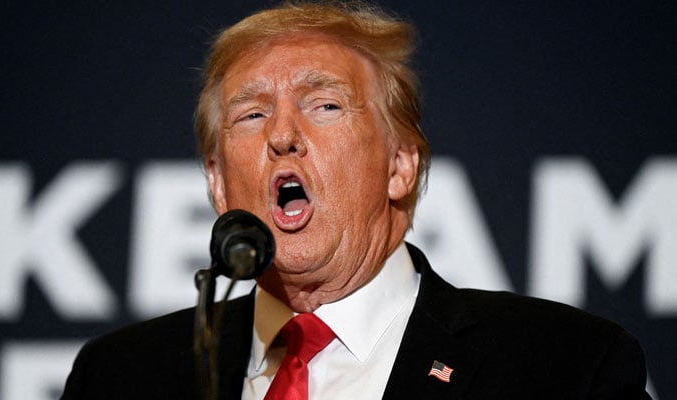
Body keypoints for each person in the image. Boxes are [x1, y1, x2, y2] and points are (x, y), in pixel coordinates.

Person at [61, 2, 650, 399]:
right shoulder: (120, 377)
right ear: (217, 182)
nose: (282, 135)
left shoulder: (564, 367)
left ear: (400, 166)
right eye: (252, 113)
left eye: (326, 106)